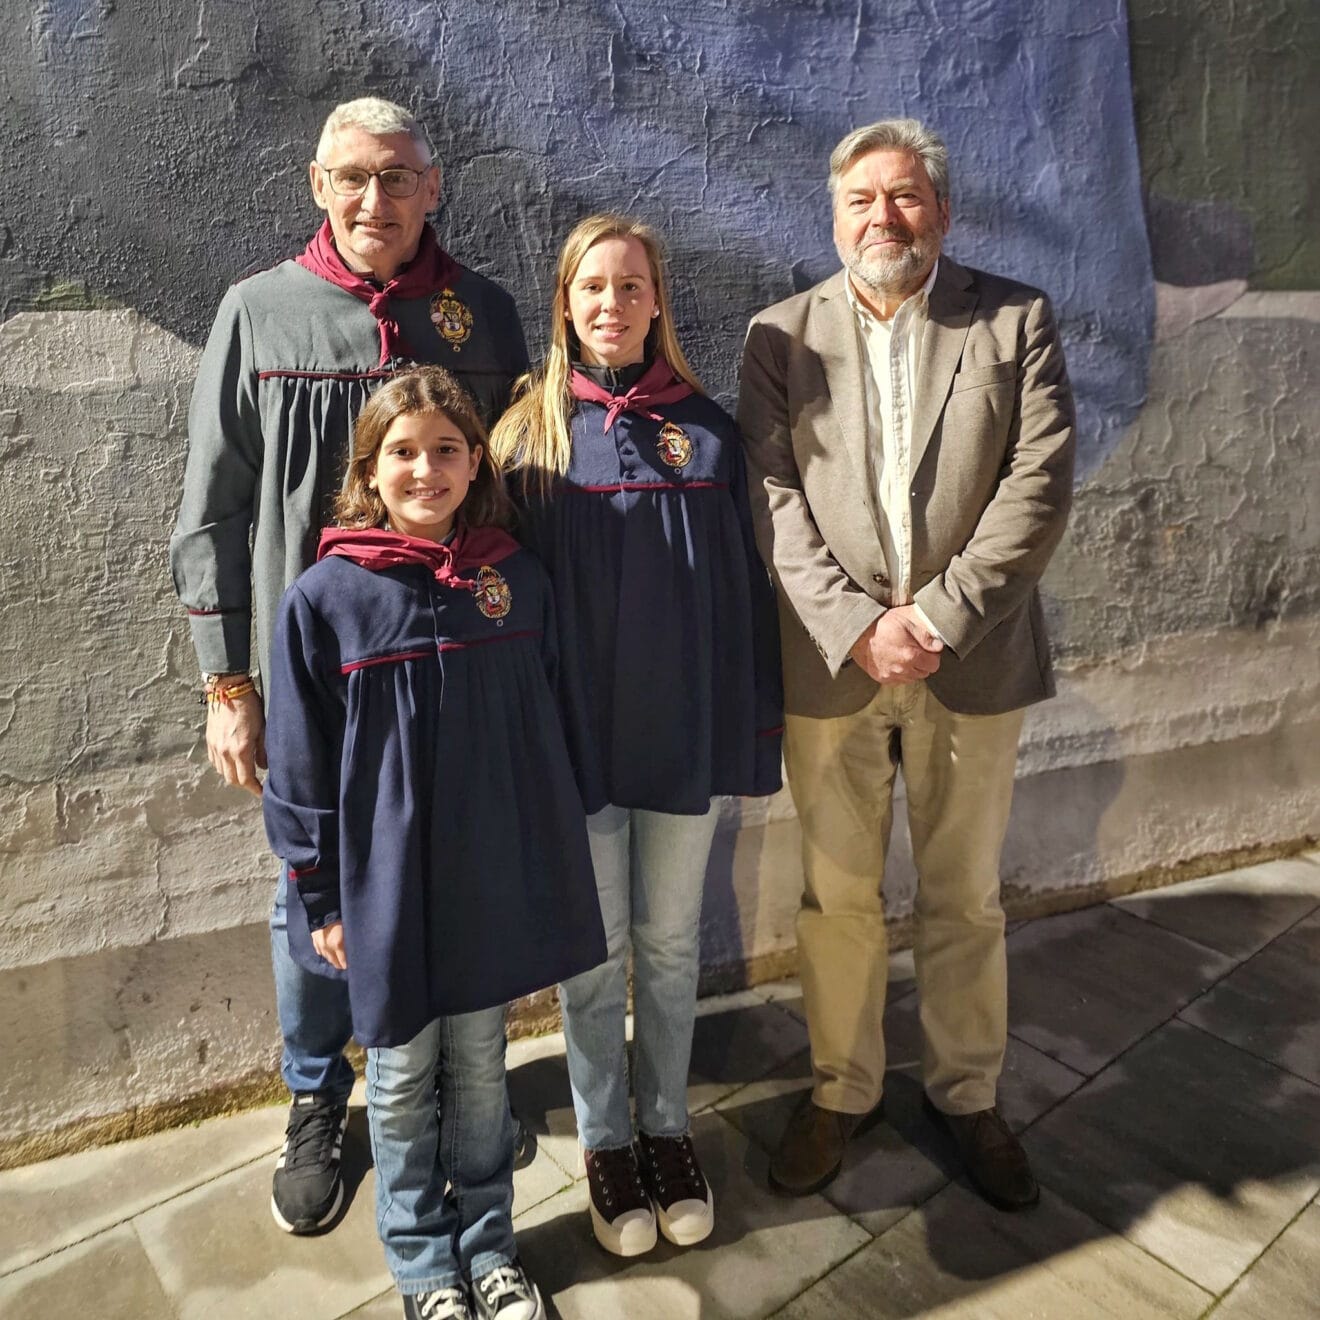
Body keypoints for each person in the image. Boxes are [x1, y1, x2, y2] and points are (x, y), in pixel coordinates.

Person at [169, 96, 530, 1235]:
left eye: (398, 177)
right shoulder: (259, 314)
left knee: (453, 877)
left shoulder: (484, 315)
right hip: (316, 682)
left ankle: (460, 1092)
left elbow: (519, 495)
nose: (376, 200)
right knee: (311, 897)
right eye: (352, 179)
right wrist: (229, 685)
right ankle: (319, 1102)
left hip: (456, 670)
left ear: (434, 188)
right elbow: (211, 511)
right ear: (318, 186)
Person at [738, 118, 1075, 1211]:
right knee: (835, 899)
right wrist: (858, 627)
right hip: (831, 667)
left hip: (967, 664)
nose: (883, 217)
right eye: (860, 202)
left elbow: (1037, 486)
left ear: (941, 207)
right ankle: (842, 1088)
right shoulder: (777, 337)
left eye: (904, 196)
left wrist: (934, 617)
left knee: (963, 896)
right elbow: (775, 507)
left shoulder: (1013, 320)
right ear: (833, 218)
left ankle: (968, 1093)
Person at [263, 365, 604, 1320]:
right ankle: (421, 1259)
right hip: (387, 887)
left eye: (446, 450)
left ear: (474, 461)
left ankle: (490, 1245)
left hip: (488, 876)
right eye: (403, 453)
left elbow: (546, 726)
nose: (426, 470)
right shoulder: (326, 599)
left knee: (483, 1067)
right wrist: (321, 897)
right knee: (405, 1074)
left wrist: (546, 855)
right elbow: (299, 764)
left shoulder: (513, 578)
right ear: (370, 470)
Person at [490, 213, 783, 1257]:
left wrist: (749, 735)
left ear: (659, 302)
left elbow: (743, 600)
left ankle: (667, 1128)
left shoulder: (706, 432)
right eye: (592, 288)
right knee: (591, 953)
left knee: (666, 948)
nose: (612, 305)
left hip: (680, 740)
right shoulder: (526, 437)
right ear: (564, 303)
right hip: (576, 749)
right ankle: (606, 1141)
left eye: (631, 286)